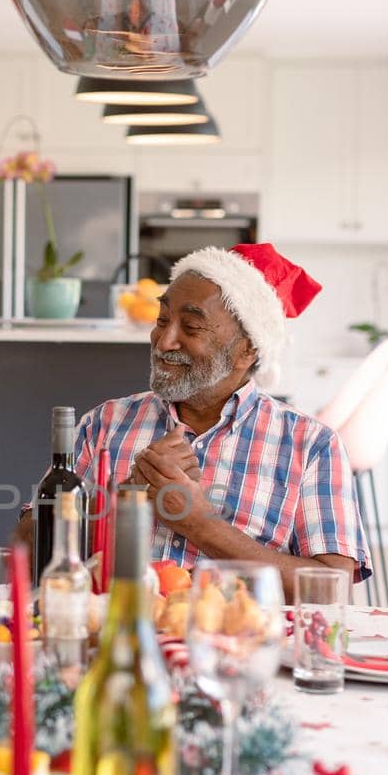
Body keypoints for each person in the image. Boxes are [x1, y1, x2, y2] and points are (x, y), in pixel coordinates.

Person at [26, 243, 367, 598]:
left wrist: (200, 524)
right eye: (161, 321)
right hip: (115, 635)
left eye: (190, 326)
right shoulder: (105, 422)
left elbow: (333, 587)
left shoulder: (311, 445)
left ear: (247, 350)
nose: (164, 340)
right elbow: (27, 547)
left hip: (237, 643)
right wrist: (126, 500)